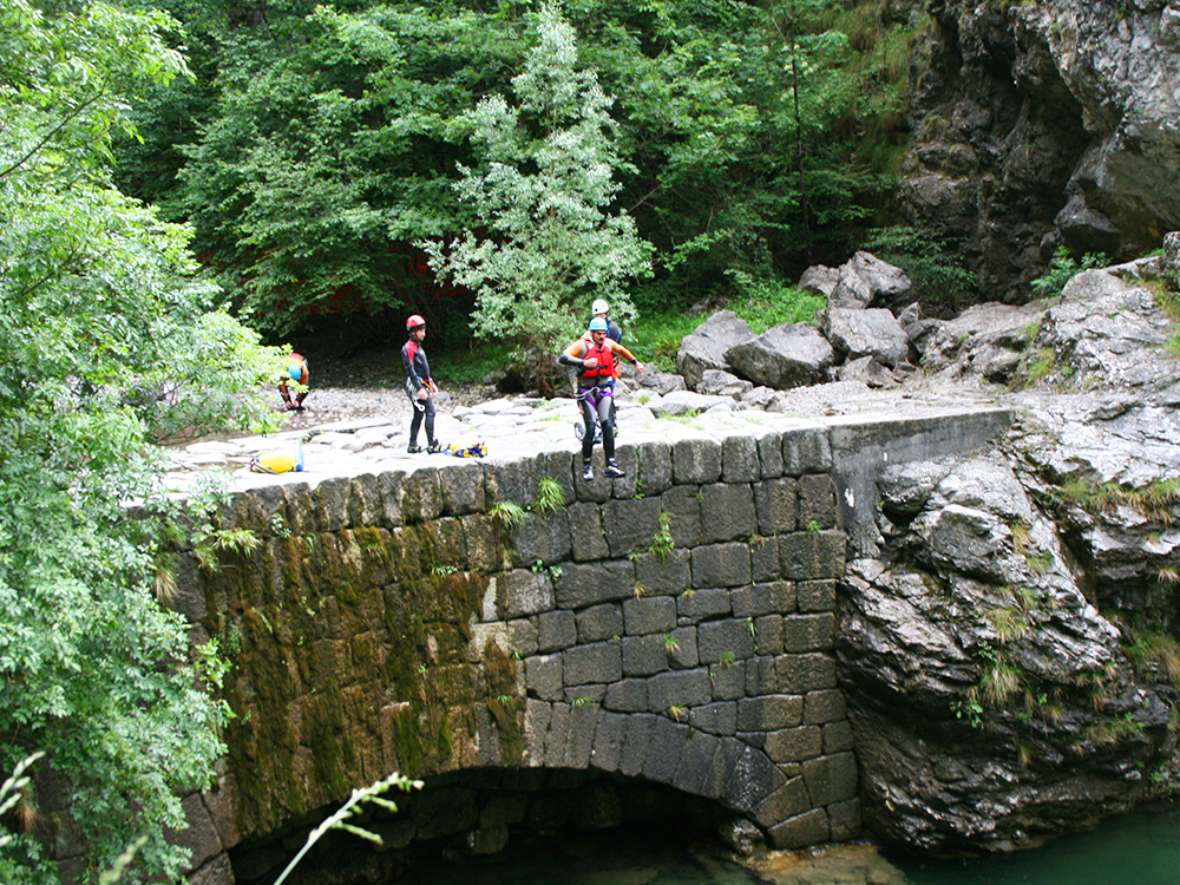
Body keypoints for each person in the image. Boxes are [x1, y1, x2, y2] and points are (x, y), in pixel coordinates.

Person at [559, 317, 644, 480]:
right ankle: (586, 466)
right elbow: (563, 357)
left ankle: (611, 465)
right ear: (592, 333)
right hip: (587, 391)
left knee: (608, 426)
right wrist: (583, 363)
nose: (602, 337)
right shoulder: (582, 345)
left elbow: (621, 351)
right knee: (590, 428)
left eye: (604, 333)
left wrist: (635, 362)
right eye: (599, 334)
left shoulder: (608, 344)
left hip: (604, 389)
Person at [402, 315, 442, 454]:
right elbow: (410, 371)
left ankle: (412, 444)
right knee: (430, 411)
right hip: (414, 386)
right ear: (413, 332)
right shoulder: (407, 348)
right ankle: (432, 444)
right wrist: (419, 389)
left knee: (419, 414)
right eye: (422, 330)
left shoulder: (418, 347)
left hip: (422, 383)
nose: (424, 333)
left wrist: (430, 383)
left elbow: (423, 368)